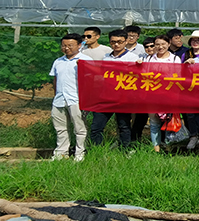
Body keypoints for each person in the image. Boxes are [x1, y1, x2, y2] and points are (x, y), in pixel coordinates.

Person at [89, 29, 141, 149]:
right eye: (113, 42)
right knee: (96, 126)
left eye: (119, 42)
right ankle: (96, 151)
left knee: (124, 125)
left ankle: (125, 150)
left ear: (125, 41)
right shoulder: (106, 57)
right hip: (106, 96)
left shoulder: (132, 57)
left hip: (123, 97)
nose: (116, 44)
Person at [49, 33, 92, 161]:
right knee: (60, 128)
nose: (67, 48)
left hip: (76, 99)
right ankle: (61, 153)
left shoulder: (85, 60)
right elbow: (56, 80)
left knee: (80, 129)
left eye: (70, 45)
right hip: (59, 100)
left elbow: (91, 81)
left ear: (79, 45)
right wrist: (56, 94)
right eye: (64, 45)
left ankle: (80, 153)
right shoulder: (58, 61)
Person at [144, 34, 182, 152]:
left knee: (168, 121)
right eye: (157, 44)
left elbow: (178, 78)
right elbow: (144, 76)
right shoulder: (149, 59)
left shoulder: (175, 59)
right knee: (154, 123)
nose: (160, 47)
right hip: (152, 95)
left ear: (169, 44)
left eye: (163, 44)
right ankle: (156, 148)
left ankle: (168, 146)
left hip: (169, 96)